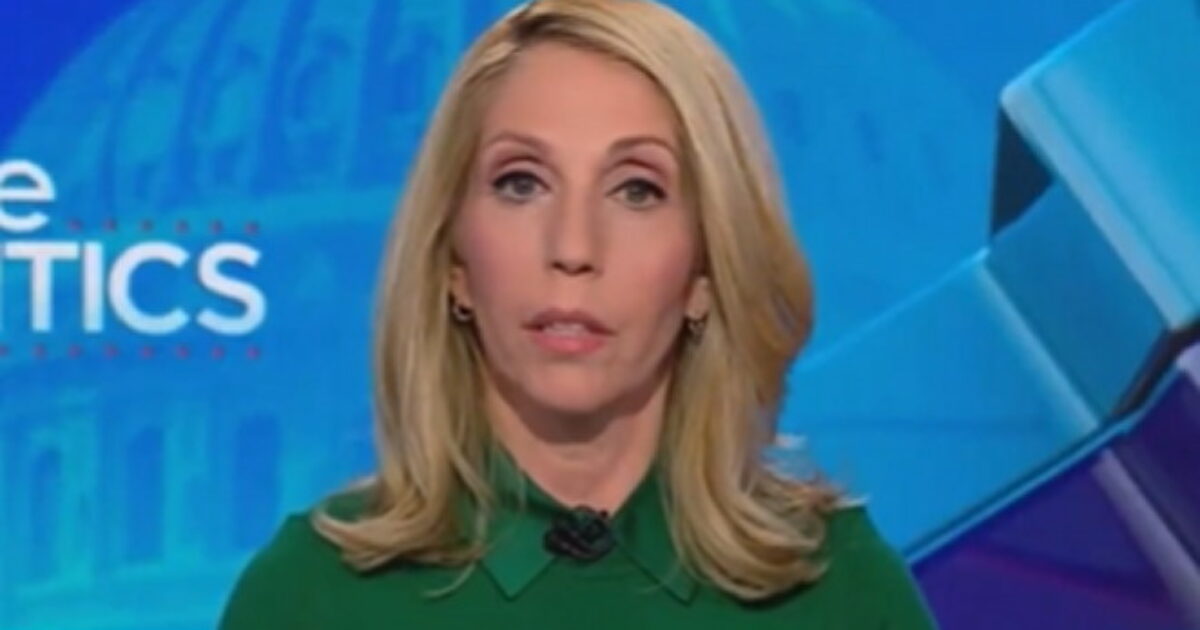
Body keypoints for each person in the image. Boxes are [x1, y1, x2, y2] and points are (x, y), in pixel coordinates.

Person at [219, 0, 938, 627]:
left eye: (637, 190)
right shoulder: (311, 597)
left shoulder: (837, 588)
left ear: (705, 274)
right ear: (455, 264)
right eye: (521, 183)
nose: (572, 247)